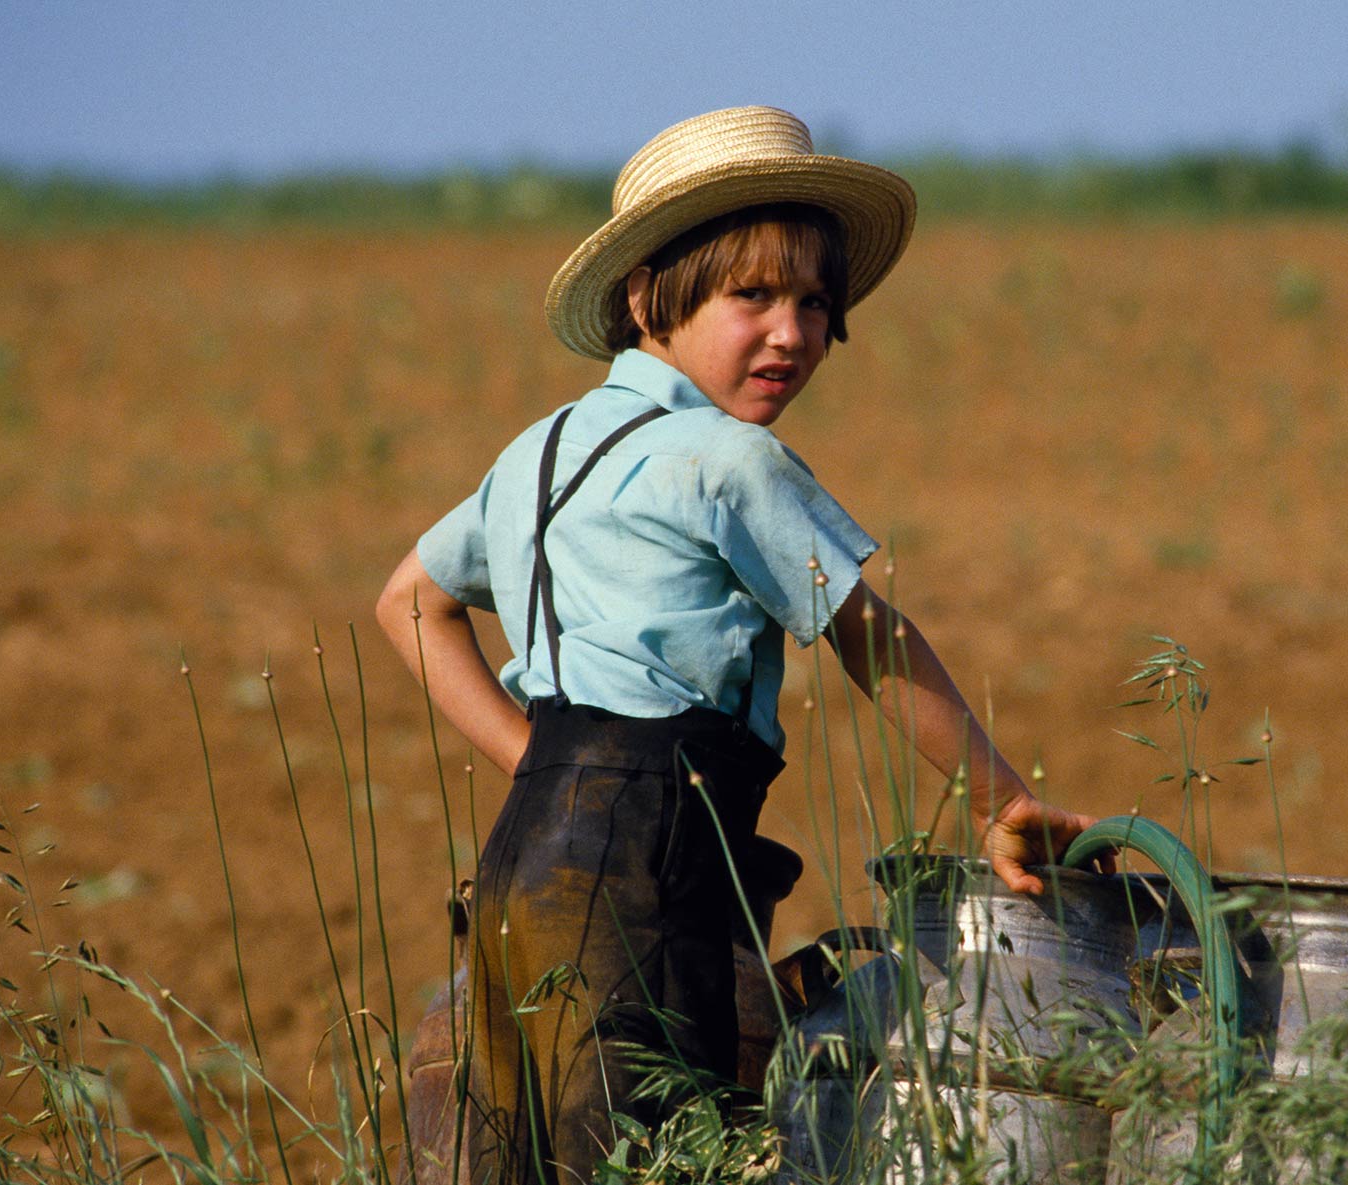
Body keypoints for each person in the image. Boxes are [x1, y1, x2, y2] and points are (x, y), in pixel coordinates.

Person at [375, 106, 1102, 1181]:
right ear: (645, 298)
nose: (792, 333)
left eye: (815, 302)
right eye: (751, 296)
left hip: (520, 861)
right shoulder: (729, 462)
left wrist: (539, 764)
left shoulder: (540, 448)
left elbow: (409, 604)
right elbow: (872, 641)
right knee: (657, 1157)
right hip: (643, 869)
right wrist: (1003, 805)